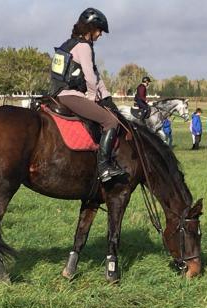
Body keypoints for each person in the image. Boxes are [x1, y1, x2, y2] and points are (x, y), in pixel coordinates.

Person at [50, 7, 126, 183]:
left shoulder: (68, 45)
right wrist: (92, 97)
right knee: (110, 121)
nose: (100, 35)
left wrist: (106, 97)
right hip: (71, 96)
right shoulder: (84, 46)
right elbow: (91, 78)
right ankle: (104, 167)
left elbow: (95, 74)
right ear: (90, 29)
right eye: (99, 31)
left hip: (57, 93)